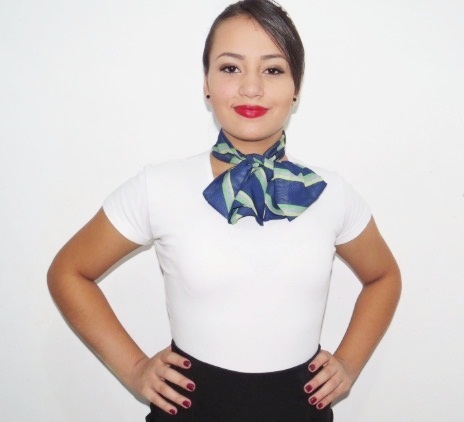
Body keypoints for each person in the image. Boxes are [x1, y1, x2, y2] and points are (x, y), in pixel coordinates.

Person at [47, 0, 401, 420]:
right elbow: (69, 272)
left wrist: (349, 363)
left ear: (296, 88)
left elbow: (383, 277)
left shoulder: (331, 193)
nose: (251, 88)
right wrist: (135, 368)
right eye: (231, 68)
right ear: (206, 83)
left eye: (273, 70)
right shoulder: (158, 187)